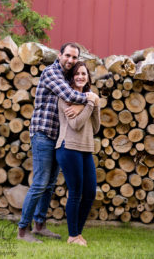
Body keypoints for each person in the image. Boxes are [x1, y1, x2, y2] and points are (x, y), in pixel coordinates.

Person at [17, 42, 97, 243]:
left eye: (74, 57)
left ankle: (40, 225)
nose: (71, 60)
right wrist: (92, 98)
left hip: (58, 137)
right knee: (41, 182)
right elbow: (70, 96)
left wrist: (82, 106)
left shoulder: (68, 76)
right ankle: (22, 230)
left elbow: (74, 102)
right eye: (68, 55)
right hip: (43, 133)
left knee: (50, 184)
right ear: (59, 55)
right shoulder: (52, 72)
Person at [56, 61, 100, 246]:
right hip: (68, 147)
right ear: (71, 77)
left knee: (90, 193)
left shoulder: (89, 98)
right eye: (77, 74)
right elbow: (76, 124)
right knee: (75, 192)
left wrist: (94, 105)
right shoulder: (66, 97)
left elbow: (96, 127)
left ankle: (78, 233)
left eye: (84, 73)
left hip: (86, 148)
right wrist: (91, 102)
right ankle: (73, 236)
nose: (81, 77)